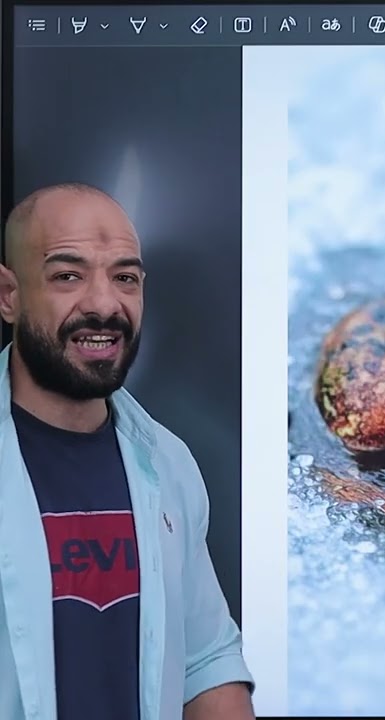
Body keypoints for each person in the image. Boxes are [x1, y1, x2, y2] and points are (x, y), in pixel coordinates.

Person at [0, 183, 255, 720]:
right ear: (9, 295)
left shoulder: (169, 462)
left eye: (125, 278)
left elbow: (206, 661)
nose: (103, 304)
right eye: (67, 276)